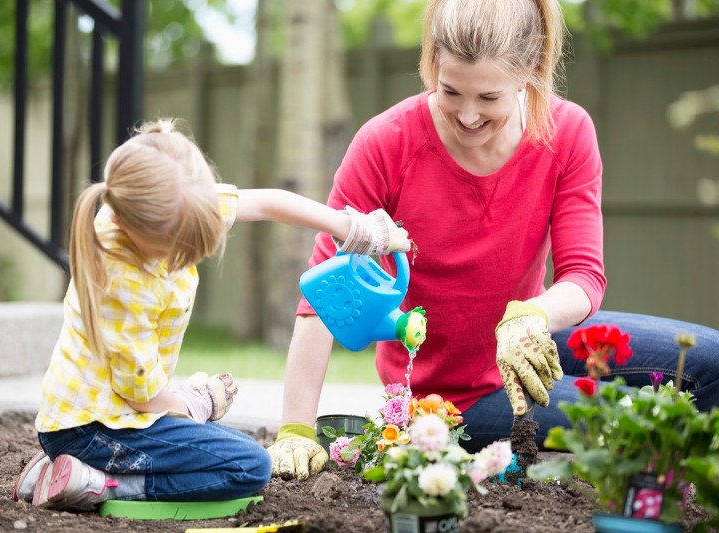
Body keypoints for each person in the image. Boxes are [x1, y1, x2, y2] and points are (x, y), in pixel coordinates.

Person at [267, 0, 719, 481]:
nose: (466, 115)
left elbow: (583, 277)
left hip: (529, 335)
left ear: (530, 72)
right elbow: (322, 299)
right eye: (450, 91)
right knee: (633, 421)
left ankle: (692, 502)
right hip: (453, 392)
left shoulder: (566, 133)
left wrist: (534, 316)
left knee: (708, 362)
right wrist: (295, 427)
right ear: (431, 65)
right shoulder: (387, 143)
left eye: (488, 98)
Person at [11, 118, 410, 510]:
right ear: (135, 227)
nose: (190, 249)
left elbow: (268, 202)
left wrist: (357, 230)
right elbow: (146, 397)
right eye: (177, 245)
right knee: (249, 466)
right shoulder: (122, 282)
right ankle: (100, 482)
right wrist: (199, 401)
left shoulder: (167, 203)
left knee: (228, 450)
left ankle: (58, 469)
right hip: (96, 428)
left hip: (107, 418)